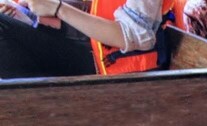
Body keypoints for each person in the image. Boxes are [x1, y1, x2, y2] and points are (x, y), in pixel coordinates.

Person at [0, 0, 172, 78]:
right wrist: (27, 12)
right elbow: (93, 11)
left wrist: (58, 8)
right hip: (90, 53)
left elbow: (137, 36)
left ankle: (31, 102)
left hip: (123, 75)